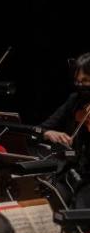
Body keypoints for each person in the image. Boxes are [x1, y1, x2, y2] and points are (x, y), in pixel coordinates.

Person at [40, 52, 90, 208]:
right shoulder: (74, 100)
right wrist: (48, 133)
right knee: (50, 197)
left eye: (86, 81)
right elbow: (42, 128)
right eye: (77, 81)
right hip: (72, 172)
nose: (80, 86)